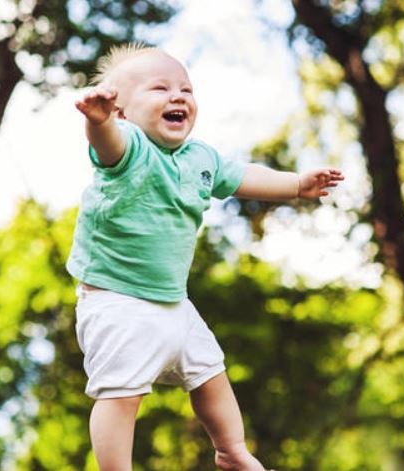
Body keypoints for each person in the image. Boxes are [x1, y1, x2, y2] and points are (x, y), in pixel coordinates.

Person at [67, 43, 344, 471]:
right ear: (122, 112)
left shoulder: (201, 157)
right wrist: (98, 121)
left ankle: (231, 451)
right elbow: (107, 145)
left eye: (186, 89)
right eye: (159, 88)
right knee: (122, 394)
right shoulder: (130, 149)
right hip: (117, 302)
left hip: (174, 303)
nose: (178, 96)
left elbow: (245, 175)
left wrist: (296, 185)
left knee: (211, 374)